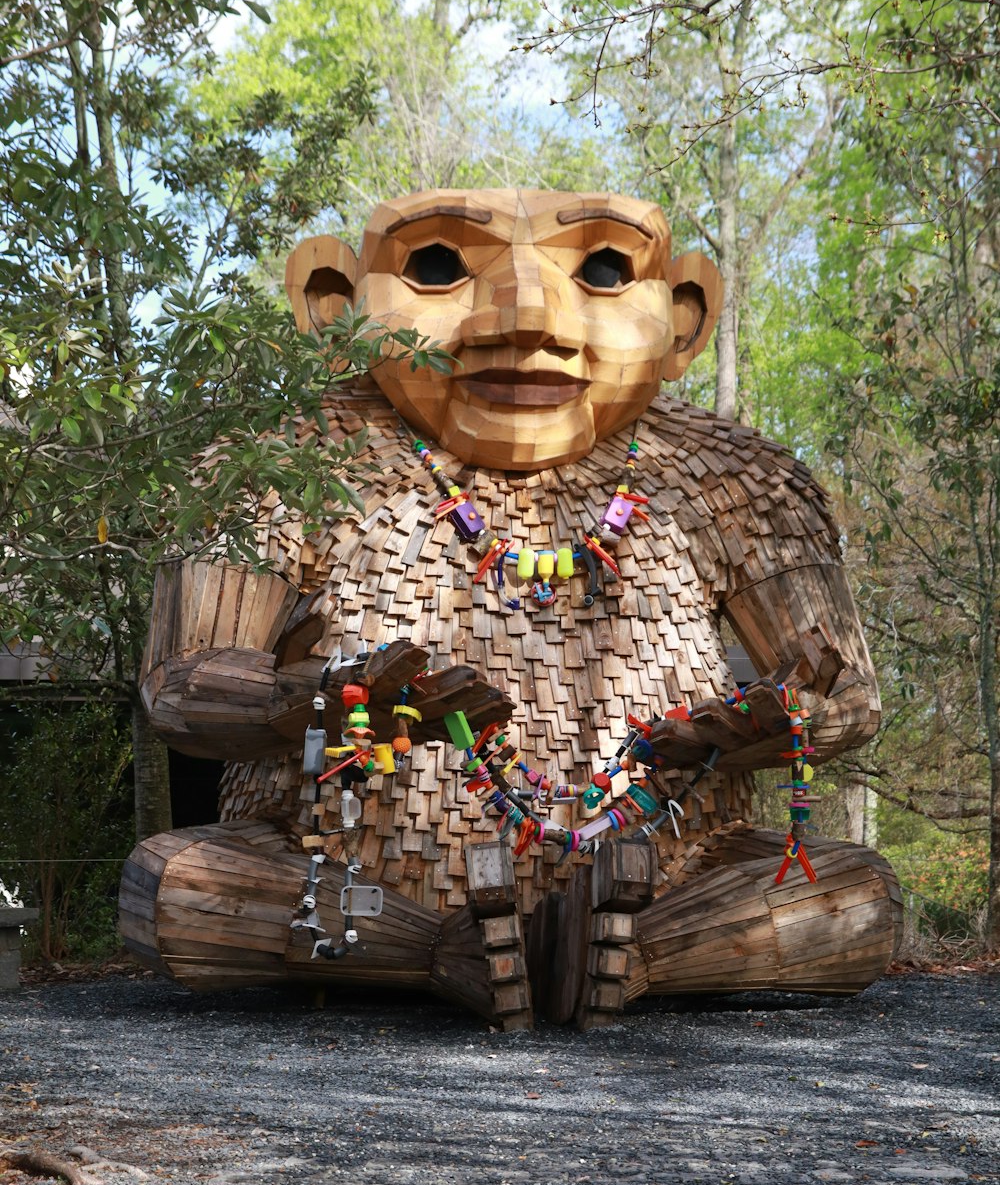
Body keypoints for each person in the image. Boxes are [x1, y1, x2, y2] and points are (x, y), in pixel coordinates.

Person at [120, 189, 901, 1023]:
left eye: (602, 270)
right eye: (437, 266)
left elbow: (849, 694)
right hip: (333, 860)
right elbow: (180, 683)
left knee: (856, 895)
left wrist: (773, 721)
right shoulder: (273, 462)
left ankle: (642, 953)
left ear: (683, 319)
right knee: (177, 882)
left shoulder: (744, 480)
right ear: (334, 304)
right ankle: (434, 951)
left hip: (683, 870)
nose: (528, 316)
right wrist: (321, 698)